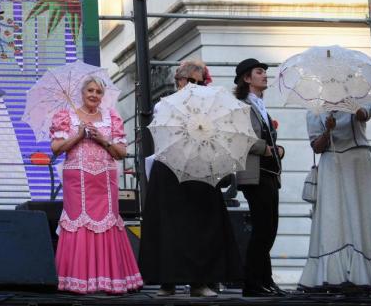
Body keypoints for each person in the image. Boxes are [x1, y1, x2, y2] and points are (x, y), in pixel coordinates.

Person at [139, 60, 241, 297]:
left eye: (200, 81)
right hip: (169, 169)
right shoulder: (164, 105)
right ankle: (167, 282)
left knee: (201, 227)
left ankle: (199, 281)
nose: (197, 86)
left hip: (200, 168)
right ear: (181, 81)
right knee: (168, 227)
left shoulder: (210, 107)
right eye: (192, 81)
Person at [49, 74, 142, 295]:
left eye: (98, 92)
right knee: (78, 223)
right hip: (77, 182)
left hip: (104, 182)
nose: (94, 95)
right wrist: (78, 136)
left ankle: (108, 279)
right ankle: (77, 279)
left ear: (102, 96)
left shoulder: (112, 117)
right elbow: (56, 149)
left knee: (108, 223)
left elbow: (120, 153)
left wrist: (102, 139)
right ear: (82, 93)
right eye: (90, 90)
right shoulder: (66, 116)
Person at [299, 104, 371, 291]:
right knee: (334, 218)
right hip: (332, 165)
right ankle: (335, 274)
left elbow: (363, 115)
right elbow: (317, 147)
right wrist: (328, 130)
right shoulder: (315, 109)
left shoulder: (359, 96)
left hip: (358, 162)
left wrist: (349, 103)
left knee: (366, 215)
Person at [234, 58, 286, 297]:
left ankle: (266, 280)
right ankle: (252, 283)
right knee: (263, 229)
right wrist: (266, 148)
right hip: (254, 174)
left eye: (265, 71)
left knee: (270, 227)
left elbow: (267, 136)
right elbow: (240, 137)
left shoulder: (260, 104)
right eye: (259, 72)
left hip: (269, 172)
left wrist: (278, 149)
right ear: (247, 78)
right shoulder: (241, 105)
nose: (265, 75)